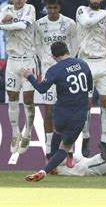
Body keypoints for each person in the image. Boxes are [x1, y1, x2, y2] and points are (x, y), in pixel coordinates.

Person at [24, 41, 93, 182]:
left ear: (53, 56)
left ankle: (50, 162)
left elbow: (42, 88)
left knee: (58, 132)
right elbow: (90, 86)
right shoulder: (83, 64)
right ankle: (45, 170)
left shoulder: (55, 70)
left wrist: (29, 76)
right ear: (68, 50)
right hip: (79, 115)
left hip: (61, 113)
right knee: (65, 147)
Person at [0, 0, 36, 155]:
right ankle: (15, 133)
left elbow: (23, 25)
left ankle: (28, 132)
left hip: (28, 61)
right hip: (13, 61)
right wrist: (1, 21)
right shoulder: (5, 9)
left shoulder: (30, 9)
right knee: (13, 97)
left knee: (28, 100)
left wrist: (3, 24)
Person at [76, 0, 106, 159]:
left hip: (102, 62)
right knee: (85, 103)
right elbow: (87, 23)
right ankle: (86, 137)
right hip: (85, 61)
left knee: (105, 102)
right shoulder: (81, 11)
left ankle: (103, 141)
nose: (96, 0)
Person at [34, 0, 77, 165]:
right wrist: (44, 64)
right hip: (48, 72)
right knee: (49, 112)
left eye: (55, 8)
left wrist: (68, 64)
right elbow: (37, 46)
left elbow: (74, 46)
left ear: (60, 7)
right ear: (46, 7)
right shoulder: (39, 24)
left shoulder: (69, 23)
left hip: (66, 72)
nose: (52, 11)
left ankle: (69, 151)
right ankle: (48, 150)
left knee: (67, 112)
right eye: (49, 8)